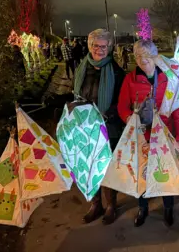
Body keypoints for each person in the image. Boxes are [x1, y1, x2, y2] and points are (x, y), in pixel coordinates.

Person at [118, 40, 179, 227]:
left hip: (164, 133)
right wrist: (131, 120)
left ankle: (168, 207)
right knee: (141, 173)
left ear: (155, 56)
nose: (143, 60)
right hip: (140, 136)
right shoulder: (130, 79)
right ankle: (143, 207)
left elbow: (177, 109)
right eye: (138, 56)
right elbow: (122, 106)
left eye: (147, 55)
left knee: (165, 171)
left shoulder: (167, 77)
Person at [74, 29, 126, 225]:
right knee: (88, 167)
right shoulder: (82, 68)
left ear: (109, 48)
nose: (99, 50)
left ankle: (111, 204)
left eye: (103, 46)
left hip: (107, 127)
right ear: (90, 46)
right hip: (84, 126)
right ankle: (96, 204)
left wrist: (108, 114)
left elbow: (122, 102)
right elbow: (77, 94)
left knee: (105, 168)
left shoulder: (116, 71)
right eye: (96, 45)